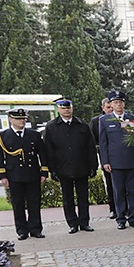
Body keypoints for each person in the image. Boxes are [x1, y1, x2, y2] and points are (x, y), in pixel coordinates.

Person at [43, 97, 97, 234]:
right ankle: (72, 223)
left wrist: (93, 166)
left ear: (72, 108)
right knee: (68, 199)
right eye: (64, 108)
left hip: (81, 166)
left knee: (83, 197)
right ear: (59, 109)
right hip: (63, 167)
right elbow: (48, 150)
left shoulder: (82, 125)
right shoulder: (51, 127)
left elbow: (90, 147)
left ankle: (84, 222)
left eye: (69, 107)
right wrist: (52, 169)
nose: (67, 110)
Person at [0, 109, 47, 240]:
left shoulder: (34, 135)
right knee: (18, 205)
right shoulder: (3, 136)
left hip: (32, 174)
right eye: (18, 119)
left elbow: (43, 155)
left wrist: (44, 172)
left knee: (34, 203)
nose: (22, 121)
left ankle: (35, 229)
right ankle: (22, 230)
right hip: (14, 176)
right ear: (10, 120)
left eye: (23, 118)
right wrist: (3, 176)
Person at [98, 90, 134, 230]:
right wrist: (105, 161)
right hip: (115, 162)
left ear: (124, 104)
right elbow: (103, 143)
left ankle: (133, 217)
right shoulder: (104, 120)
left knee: (132, 191)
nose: (118, 105)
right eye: (115, 102)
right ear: (111, 104)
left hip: (131, 160)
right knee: (118, 191)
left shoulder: (132, 119)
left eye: (121, 102)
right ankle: (120, 219)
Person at [89, 98, 116, 219]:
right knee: (110, 183)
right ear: (102, 108)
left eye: (112, 107)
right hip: (106, 155)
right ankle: (113, 208)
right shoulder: (96, 121)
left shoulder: (120, 119)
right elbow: (92, 140)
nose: (110, 109)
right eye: (108, 107)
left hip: (120, 155)